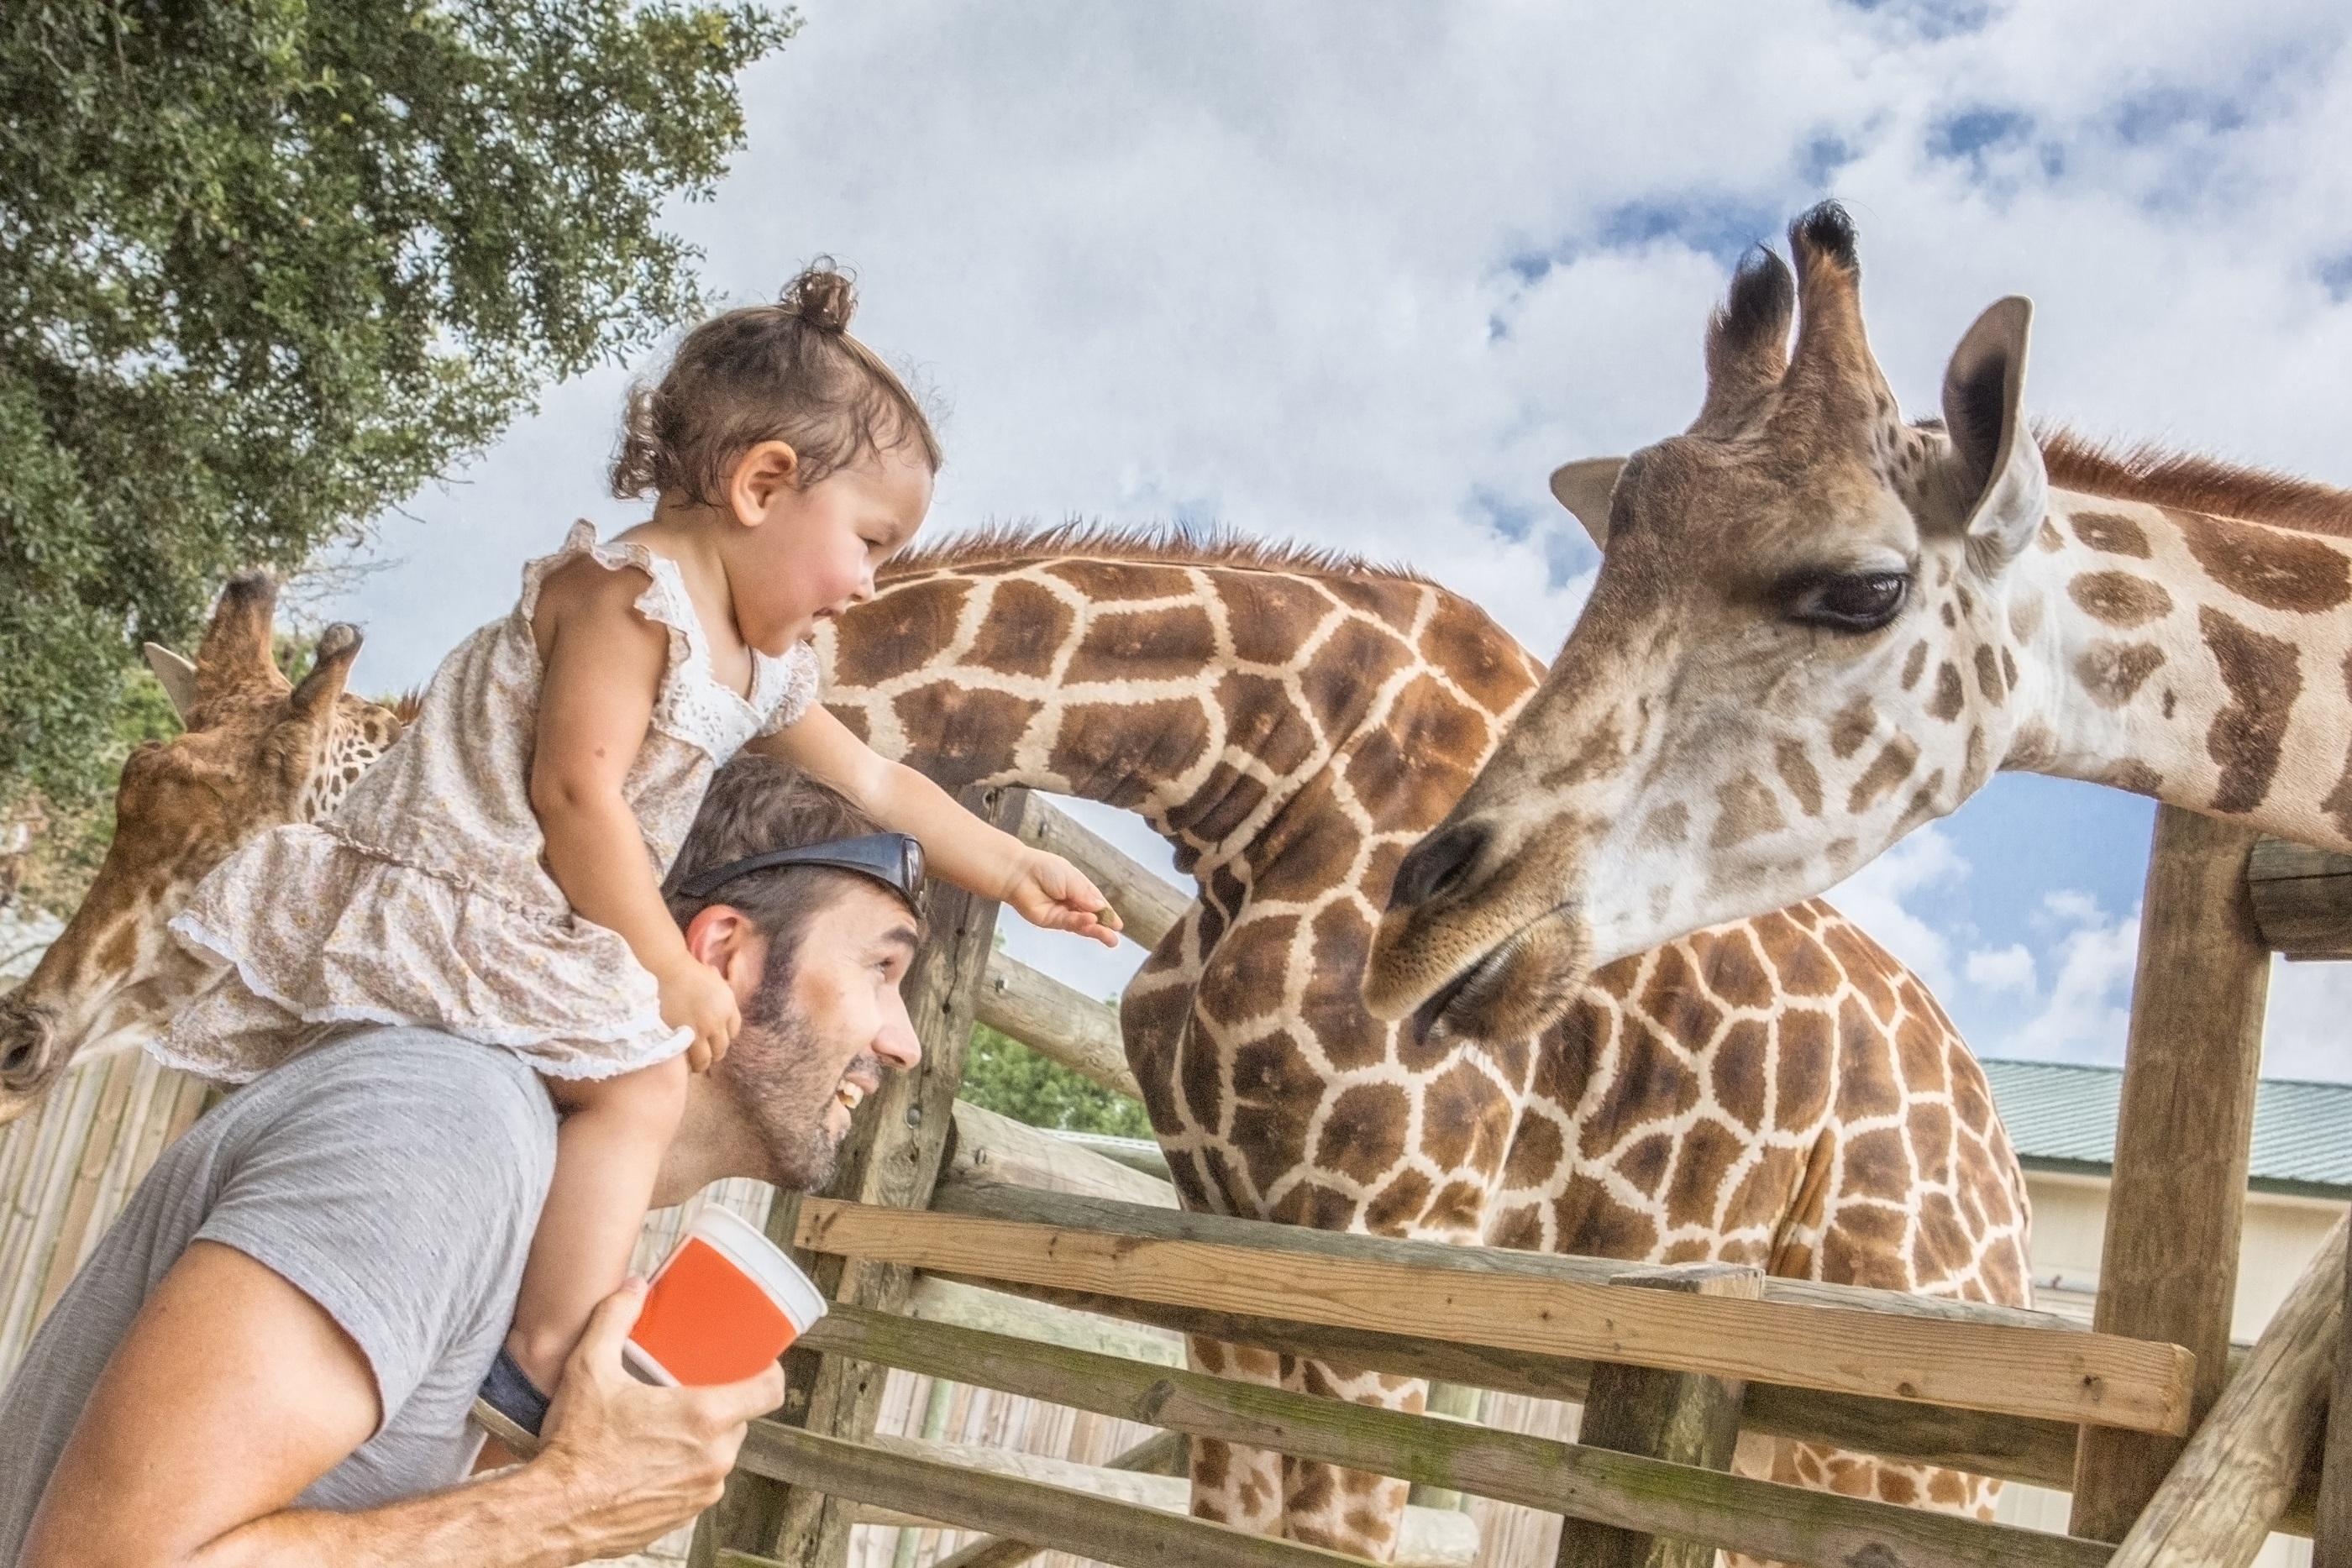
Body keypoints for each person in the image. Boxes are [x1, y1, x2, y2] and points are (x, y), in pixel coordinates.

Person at [143, 263, 1121, 1440]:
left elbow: (872, 777)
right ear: (764, 483)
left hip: (546, 916)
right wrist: (665, 963)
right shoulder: (626, 598)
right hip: (476, 898)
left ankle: (524, 1310)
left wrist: (1007, 871)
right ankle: (543, 1352)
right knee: (650, 1069)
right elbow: (577, 796)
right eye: (868, 540)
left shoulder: (758, 666)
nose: (867, 583)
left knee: (639, 1079)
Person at [0, 756, 941, 1564]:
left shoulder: (537, 1192)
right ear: (725, 953)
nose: (905, 1044)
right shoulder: (445, 1127)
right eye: (882, 971)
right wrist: (560, 1507)